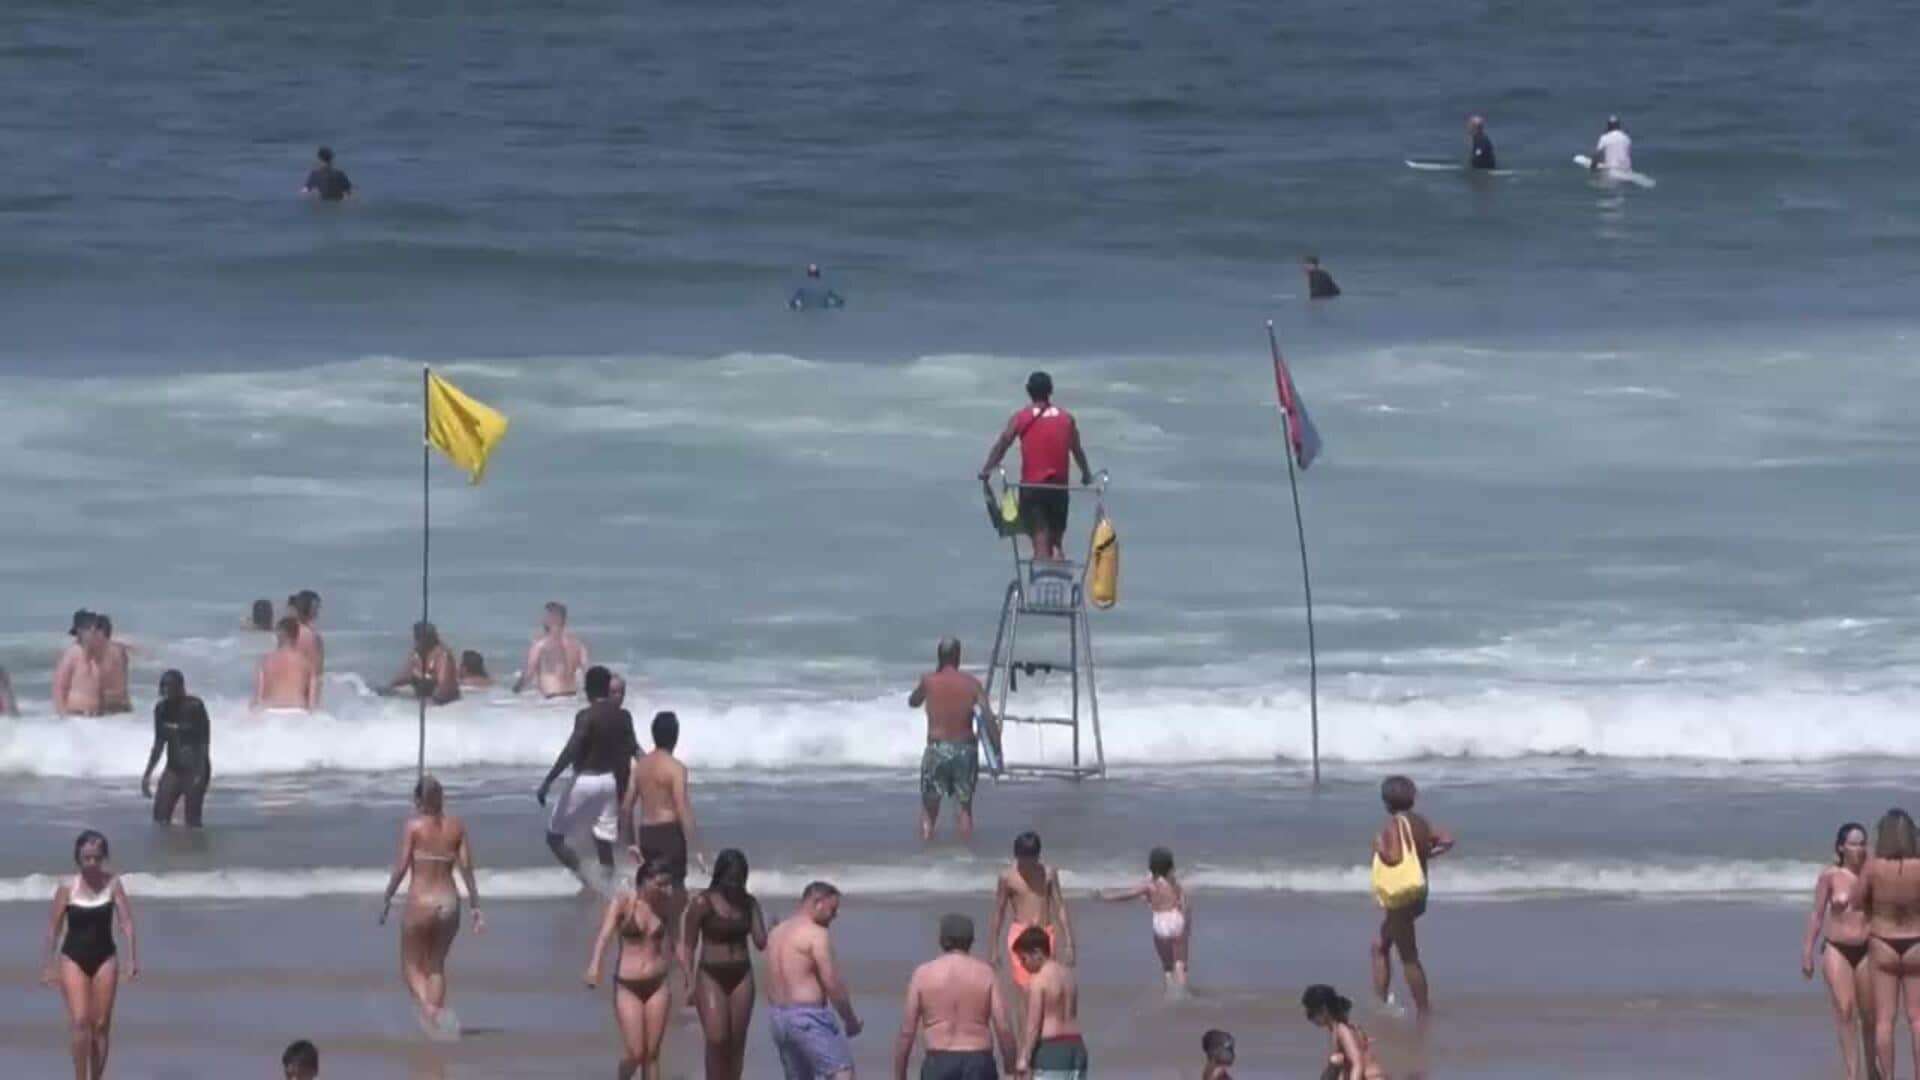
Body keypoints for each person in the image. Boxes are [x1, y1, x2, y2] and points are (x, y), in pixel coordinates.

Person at [378, 775, 483, 1038]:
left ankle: (432, 1012)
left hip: (420, 901)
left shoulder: (413, 827)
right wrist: (475, 906)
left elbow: (402, 866)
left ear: (418, 801)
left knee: (410, 966)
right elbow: (467, 868)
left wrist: (388, 896)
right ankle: (437, 1024)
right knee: (436, 964)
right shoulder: (457, 826)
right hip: (449, 902)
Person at [43, 830, 138, 1080]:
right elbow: (53, 928)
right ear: (78, 858)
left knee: (101, 1024)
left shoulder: (113, 884)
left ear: (103, 857)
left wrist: (132, 958)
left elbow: (126, 922)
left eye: (97, 858)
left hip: (105, 957)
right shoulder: (67, 887)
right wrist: (48, 965)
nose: (92, 863)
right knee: (80, 1021)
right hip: (73, 958)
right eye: (87, 858)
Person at [977, 372, 1095, 562]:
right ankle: (1060, 582)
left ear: (1029, 391)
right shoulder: (1066, 419)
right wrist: (1086, 474)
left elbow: (1003, 443)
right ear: (1051, 391)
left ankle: (1042, 587)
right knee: (1056, 543)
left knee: (1040, 539)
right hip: (1059, 488)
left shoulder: (1021, 417)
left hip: (1033, 488)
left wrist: (986, 470)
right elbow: (1077, 450)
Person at [538, 665, 637, 887]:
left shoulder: (586, 715)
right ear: (606, 688)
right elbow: (633, 748)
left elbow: (572, 748)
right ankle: (608, 885)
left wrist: (548, 780)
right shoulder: (623, 717)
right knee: (603, 840)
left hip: (585, 780)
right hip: (609, 783)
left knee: (554, 838)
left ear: (588, 690)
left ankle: (586, 878)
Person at [1370, 775, 1454, 1024]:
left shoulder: (1394, 825)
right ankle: (1381, 1002)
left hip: (1401, 896)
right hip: (1417, 893)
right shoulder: (1418, 822)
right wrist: (1427, 855)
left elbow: (1394, 857)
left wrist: (1379, 848)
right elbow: (1447, 840)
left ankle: (1423, 1012)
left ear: (1386, 802)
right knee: (1379, 946)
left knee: (1408, 956)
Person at [586, 857, 678, 1080]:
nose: (667, 889)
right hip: (628, 986)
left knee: (653, 1054)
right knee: (636, 1053)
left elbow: (676, 943)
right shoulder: (624, 903)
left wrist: (686, 973)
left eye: (669, 884)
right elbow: (605, 935)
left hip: (658, 984)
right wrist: (595, 965)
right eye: (661, 884)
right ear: (645, 881)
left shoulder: (665, 906)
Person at [682, 849, 769, 1080]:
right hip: (710, 975)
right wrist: (689, 981)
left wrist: (773, 927)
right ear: (720, 875)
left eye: (739, 877)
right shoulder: (702, 902)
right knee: (717, 1039)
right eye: (730, 877)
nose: (734, 882)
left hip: (742, 975)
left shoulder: (749, 902)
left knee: (737, 1042)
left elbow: (760, 942)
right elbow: (687, 945)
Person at [895, 913, 1014, 1080]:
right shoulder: (986, 973)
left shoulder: (923, 974)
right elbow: (1003, 1027)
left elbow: (907, 1032)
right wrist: (1011, 1068)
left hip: (938, 1062)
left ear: (942, 940)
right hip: (978, 1061)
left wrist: (900, 1074)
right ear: (971, 941)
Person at [766, 881, 862, 1079]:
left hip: (779, 1018)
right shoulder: (816, 934)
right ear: (817, 902)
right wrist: (850, 1019)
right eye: (832, 909)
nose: (835, 916)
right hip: (808, 1019)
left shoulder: (776, 933)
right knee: (842, 1072)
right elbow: (832, 983)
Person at [1804, 822, 1875, 1080]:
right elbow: (1816, 915)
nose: (1860, 848)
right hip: (1837, 949)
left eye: (1863, 842)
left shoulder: (1872, 875)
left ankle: (1873, 1071)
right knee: (1845, 1010)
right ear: (1841, 847)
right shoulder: (1830, 875)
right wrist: (1807, 952)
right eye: (1855, 843)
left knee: (1870, 1016)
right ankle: (1852, 1074)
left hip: (1868, 950)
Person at [909, 638, 996, 842]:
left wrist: (933, 676)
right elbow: (988, 717)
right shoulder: (972, 683)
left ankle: (926, 852)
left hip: (937, 749)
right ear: (958, 656)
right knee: (964, 808)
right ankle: (965, 857)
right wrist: (997, 746)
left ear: (939, 656)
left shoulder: (929, 680)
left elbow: (913, 701)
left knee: (930, 809)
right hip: (965, 750)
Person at [625, 710, 706, 924]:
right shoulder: (676, 768)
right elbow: (682, 808)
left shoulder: (639, 767)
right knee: (675, 891)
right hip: (669, 834)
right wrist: (696, 847)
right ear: (676, 736)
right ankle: (672, 942)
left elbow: (626, 808)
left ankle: (651, 940)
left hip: (646, 834)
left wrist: (630, 843)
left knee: (650, 891)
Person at [1863, 808, 1920, 1078]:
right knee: (1918, 1019)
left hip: (1883, 941)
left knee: (1885, 1021)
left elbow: (1854, 897)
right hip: (1917, 942)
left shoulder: (1873, 867)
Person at [989, 832, 1074, 1010]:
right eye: (1023, 860)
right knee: (1025, 991)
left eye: (1031, 859)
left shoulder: (1049, 873)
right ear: (1016, 856)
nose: (1027, 864)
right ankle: (1025, 1036)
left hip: (1045, 933)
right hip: (1020, 936)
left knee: (1048, 986)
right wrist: (994, 947)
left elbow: (1060, 907)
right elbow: (999, 912)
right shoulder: (1007, 877)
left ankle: (1044, 1033)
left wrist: (1069, 944)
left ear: (1038, 856)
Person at [1096, 846, 1190, 996]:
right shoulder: (1174, 883)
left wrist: (1105, 896)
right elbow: (1184, 904)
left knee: (1167, 966)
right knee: (1180, 963)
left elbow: (1127, 895)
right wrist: (1186, 923)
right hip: (1176, 918)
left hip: (1160, 921)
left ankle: (1170, 993)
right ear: (1170, 866)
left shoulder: (1149, 885)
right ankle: (1183, 994)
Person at [1012, 927, 1085, 1080]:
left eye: (1023, 959)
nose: (1022, 965)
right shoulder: (1069, 976)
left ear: (1038, 953)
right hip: (1077, 1047)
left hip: (1052, 1051)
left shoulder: (1039, 981)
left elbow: (1033, 1024)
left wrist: (1024, 1058)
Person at [141, 670, 212, 827]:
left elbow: (204, 741)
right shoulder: (161, 709)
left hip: (196, 767)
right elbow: (159, 744)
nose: (167, 691)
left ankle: (194, 849)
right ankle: (165, 849)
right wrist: (147, 775)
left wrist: (200, 773)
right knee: (159, 818)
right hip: (173, 768)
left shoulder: (194, 706)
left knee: (192, 821)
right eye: (164, 687)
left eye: (171, 687)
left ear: (180, 687)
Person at [1302, 984, 1385, 1079]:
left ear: (1324, 1009)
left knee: (1333, 1063)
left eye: (1310, 1013)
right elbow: (1346, 1068)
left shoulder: (1342, 1030)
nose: (1309, 1018)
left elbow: (1357, 1063)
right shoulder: (1344, 1028)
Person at [514, 601, 589, 697]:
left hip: (552, 702)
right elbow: (588, 673)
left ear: (550, 619)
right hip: (572, 698)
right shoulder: (578, 645)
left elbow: (529, 673)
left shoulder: (540, 645)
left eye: (545, 617)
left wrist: (514, 692)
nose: (542, 620)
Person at [387, 621, 459, 705]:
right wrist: (389, 688)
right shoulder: (417, 653)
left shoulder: (442, 655)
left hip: (443, 702)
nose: (416, 640)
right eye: (416, 637)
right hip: (422, 698)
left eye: (418, 637)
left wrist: (431, 703)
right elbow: (405, 676)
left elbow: (444, 687)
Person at [255, 616, 319, 711]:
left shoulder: (266, 661)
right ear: (296, 636)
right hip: (298, 713)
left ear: (279, 635)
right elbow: (311, 702)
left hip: (271, 714)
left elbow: (258, 698)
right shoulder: (306, 663)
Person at [53, 611, 105, 717]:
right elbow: (59, 687)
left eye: (96, 628)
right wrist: (63, 716)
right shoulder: (72, 654)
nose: (93, 631)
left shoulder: (97, 656)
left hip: (97, 718)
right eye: (90, 628)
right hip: (76, 717)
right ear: (80, 631)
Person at [288, 591, 325, 703]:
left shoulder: (285, 632)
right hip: (303, 694)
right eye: (317, 608)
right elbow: (316, 673)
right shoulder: (313, 637)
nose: (318, 612)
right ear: (310, 609)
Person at [94, 616, 133, 714]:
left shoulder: (97, 650)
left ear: (99, 631)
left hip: (107, 703)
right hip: (124, 703)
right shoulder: (120, 649)